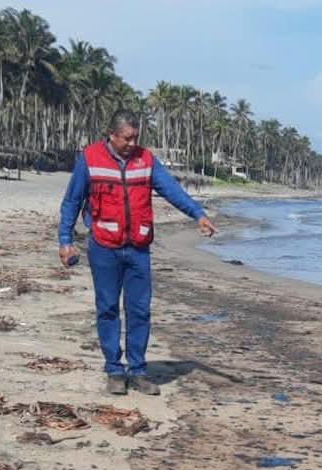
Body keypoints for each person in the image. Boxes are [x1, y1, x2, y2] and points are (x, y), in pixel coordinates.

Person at [58, 109, 217, 395]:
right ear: (112, 135)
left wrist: (198, 214)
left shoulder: (146, 160)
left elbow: (171, 190)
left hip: (138, 249)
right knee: (108, 308)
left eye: (135, 137)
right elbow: (72, 201)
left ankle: (138, 371)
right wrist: (65, 240)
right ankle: (114, 370)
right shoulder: (90, 159)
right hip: (104, 247)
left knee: (139, 310)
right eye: (126, 138)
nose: (132, 144)